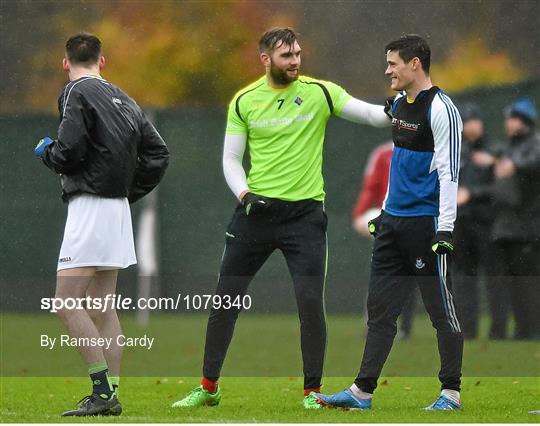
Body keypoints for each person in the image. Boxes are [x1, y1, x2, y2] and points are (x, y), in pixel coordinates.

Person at [172, 27, 391, 409]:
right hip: (254, 214)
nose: (295, 62)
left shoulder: (320, 92)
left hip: (305, 218)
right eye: (286, 56)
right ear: (266, 59)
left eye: (298, 54)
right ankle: (208, 387)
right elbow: (229, 159)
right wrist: (244, 194)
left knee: (309, 302)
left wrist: (402, 105)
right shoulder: (244, 101)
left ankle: (312, 392)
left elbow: (372, 115)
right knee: (225, 302)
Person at [315, 34, 464, 411]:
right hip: (392, 225)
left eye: (393, 63)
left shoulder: (442, 109)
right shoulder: (398, 103)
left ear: (415, 63)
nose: (387, 70)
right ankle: (361, 393)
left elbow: (449, 174)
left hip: (426, 225)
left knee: (440, 311)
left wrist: (445, 228)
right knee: (380, 312)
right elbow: (397, 164)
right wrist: (384, 212)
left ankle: (451, 394)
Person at [34, 32, 169, 416]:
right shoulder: (123, 97)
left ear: (66, 63)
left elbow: (69, 151)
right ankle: (112, 394)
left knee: (66, 303)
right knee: (102, 307)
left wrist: (48, 154)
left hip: (91, 208)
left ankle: (102, 392)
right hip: (116, 211)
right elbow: (158, 154)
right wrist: (125, 192)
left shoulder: (75, 91)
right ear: (102, 61)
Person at [461, 97, 540, 340]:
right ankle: (522, 330)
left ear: (525, 121)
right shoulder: (510, 148)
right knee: (515, 282)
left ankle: (527, 330)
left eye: (513, 119)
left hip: (525, 225)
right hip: (508, 226)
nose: (508, 123)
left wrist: (499, 163)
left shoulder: (528, 147)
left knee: (526, 282)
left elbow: (526, 166)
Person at [352, 141, 418, 340]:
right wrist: (360, 213)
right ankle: (375, 325)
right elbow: (370, 187)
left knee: (409, 275)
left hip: (416, 220)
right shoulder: (382, 154)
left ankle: (405, 328)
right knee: (383, 273)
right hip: (387, 220)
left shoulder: (427, 150)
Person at [452, 103, 501, 339]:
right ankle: (467, 330)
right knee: (463, 278)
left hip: (487, 223)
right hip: (461, 223)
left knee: (493, 278)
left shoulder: (495, 152)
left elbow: (502, 190)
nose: (470, 126)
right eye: (465, 122)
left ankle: (498, 331)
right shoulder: (457, 152)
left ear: (481, 123)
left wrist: (473, 193)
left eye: (473, 121)